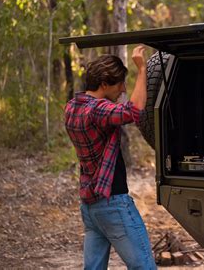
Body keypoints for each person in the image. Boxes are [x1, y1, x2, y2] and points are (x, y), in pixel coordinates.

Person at [65, 45, 156, 270]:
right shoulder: (97, 110)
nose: (123, 89)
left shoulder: (72, 107)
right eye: (120, 84)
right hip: (112, 203)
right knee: (144, 266)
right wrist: (142, 69)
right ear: (104, 84)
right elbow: (134, 110)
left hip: (90, 205)